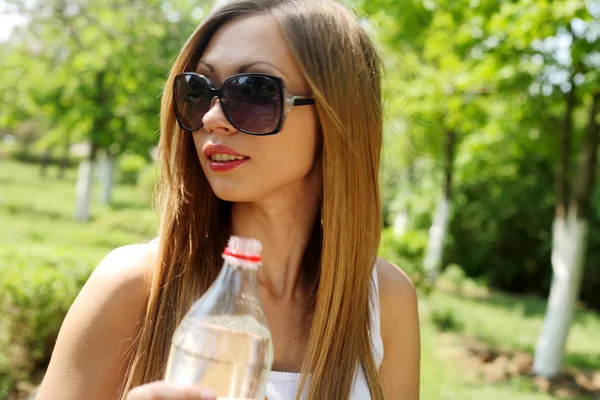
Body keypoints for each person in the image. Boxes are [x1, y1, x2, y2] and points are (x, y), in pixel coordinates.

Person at [35, 0, 420, 399]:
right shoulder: (135, 285)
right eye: (198, 91)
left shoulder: (383, 301)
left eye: (253, 92)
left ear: (337, 116)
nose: (211, 118)